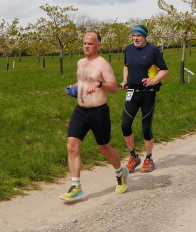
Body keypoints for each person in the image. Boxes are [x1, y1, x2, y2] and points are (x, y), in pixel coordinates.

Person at [61, 31, 129, 200]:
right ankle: (76, 186)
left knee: (105, 148)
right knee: (72, 146)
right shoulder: (80, 62)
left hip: (98, 112)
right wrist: (74, 87)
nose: (86, 46)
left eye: (90, 43)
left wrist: (99, 84)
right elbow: (83, 81)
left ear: (98, 45)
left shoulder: (102, 64)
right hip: (80, 110)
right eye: (84, 43)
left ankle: (120, 173)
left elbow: (113, 87)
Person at [119, 24, 170, 173]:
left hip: (148, 92)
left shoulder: (153, 50)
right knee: (125, 124)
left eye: (138, 36)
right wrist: (125, 80)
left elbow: (164, 70)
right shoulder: (129, 49)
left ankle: (149, 158)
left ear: (144, 37)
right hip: (132, 91)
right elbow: (126, 66)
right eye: (134, 35)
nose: (135, 38)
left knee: (146, 127)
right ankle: (133, 156)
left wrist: (153, 81)